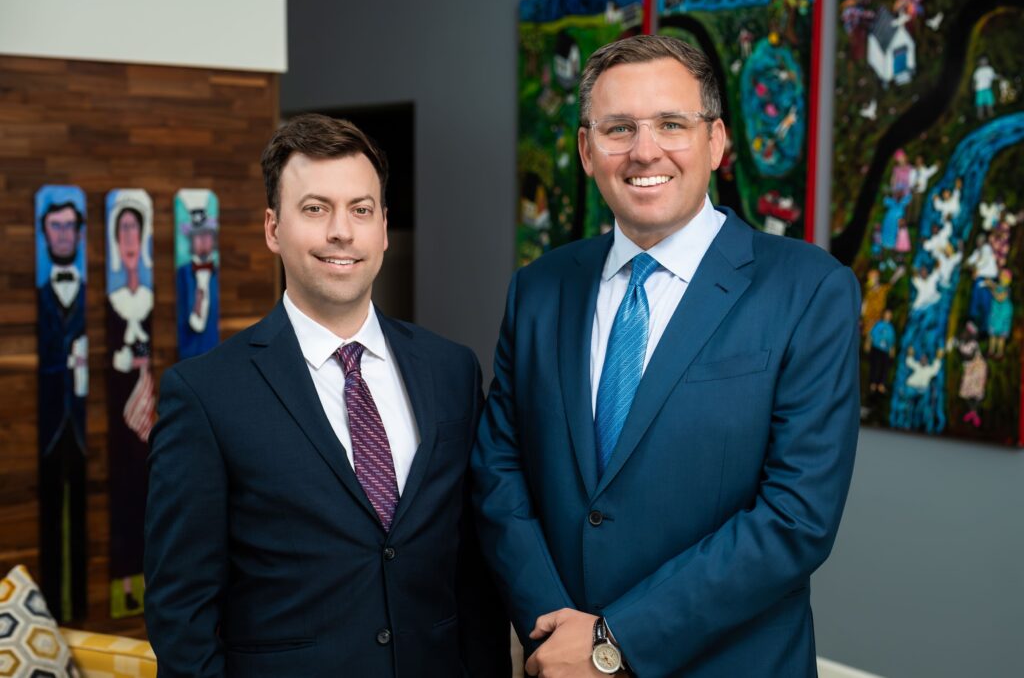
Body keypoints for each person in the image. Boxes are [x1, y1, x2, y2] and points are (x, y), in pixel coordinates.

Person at [473, 35, 860, 678]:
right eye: (618, 128)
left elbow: (796, 516)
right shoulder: (538, 288)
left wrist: (612, 642)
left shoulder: (809, 289)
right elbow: (498, 470)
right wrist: (552, 628)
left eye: (671, 124)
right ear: (586, 150)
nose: (644, 150)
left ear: (716, 142)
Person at [145, 114, 509, 677]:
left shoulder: (452, 371)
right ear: (273, 229)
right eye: (315, 209)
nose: (342, 232)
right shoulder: (205, 395)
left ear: (383, 227)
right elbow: (180, 613)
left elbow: (475, 574)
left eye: (361, 210)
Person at [36, 196, 89, 622]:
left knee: (81, 514)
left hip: (83, 425)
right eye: (56, 227)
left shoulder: (91, 294)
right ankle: (54, 610)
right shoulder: (39, 296)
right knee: (50, 515)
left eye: (69, 226)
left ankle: (81, 609)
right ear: (45, 235)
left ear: (79, 234)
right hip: (51, 418)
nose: (63, 234)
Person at [106, 197, 156, 614]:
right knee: (123, 493)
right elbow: (117, 357)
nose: (129, 237)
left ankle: (147, 579)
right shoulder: (116, 298)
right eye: (122, 230)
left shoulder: (148, 297)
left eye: (134, 229)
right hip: (119, 415)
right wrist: (126, 360)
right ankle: (124, 582)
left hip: (146, 410)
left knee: (148, 493)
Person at [176, 208, 220, 358]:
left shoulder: (216, 273)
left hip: (213, 350)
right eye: (198, 235)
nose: (203, 240)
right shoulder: (182, 273)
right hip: (188, 351)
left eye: (207, 234)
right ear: (191, 240)